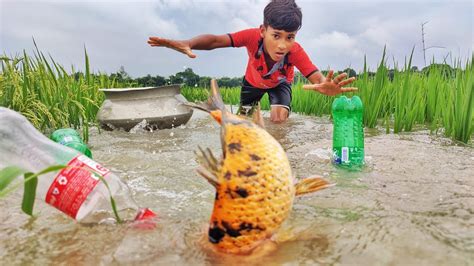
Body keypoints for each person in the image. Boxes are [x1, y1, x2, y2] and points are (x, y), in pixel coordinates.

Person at [148, 0, 357, 123]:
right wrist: (188, 43)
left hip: (279, 85)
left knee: (278, 118)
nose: (283, 45)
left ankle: (278, 152)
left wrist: (325, 86)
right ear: (263, 30)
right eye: (276, 36)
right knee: (244, 121)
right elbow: (215, 41)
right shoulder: (250, 37)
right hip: (252, 83)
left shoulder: (296, 52)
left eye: (290, 37)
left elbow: (317, 78)